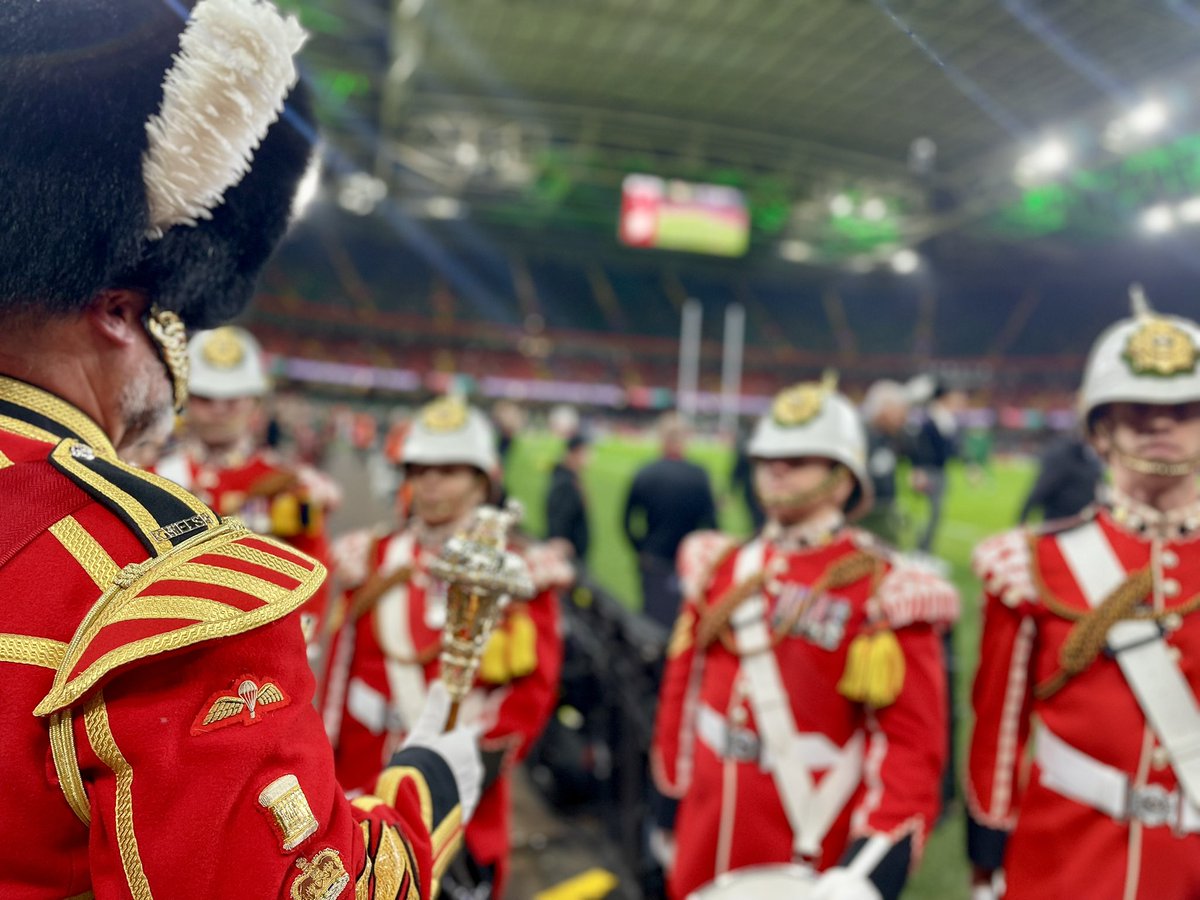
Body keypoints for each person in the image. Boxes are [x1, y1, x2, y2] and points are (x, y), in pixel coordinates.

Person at [0, 2, 480, 896]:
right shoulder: (158, 575)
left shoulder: (280, 493)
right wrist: (430, 789)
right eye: (168, 324)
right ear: (117, 310)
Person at [652, 379, 958, 900]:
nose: (776, 466)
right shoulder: (720, 564)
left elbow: (910, 751)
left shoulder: (884, 587)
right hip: (705, 827)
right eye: (768, 455)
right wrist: (669, 802)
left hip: (805, 847)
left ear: (843, 479)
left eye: (800, 458)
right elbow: (683, 692)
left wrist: (864, 876)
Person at [968, 295, 1200, 899]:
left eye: (1185, 408)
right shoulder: (1034, 563)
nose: (1160, 424)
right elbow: (998, 727)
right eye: (1135, 410)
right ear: (1100, 431)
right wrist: (987, 847)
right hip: (1064, 860)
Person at [322, 395, 567, 898]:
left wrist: (461, 768)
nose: (431, 483)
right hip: (361, 777)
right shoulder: (369, 557)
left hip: (457, 794)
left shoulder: (517, 574)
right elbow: (337, 673)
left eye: (450, 470)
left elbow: (529, 696)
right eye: (421, 469)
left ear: (484, 480)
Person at [154, 326, 340, 664]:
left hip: (252, 656)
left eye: (233, 399)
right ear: (182, 398)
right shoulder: (150, 476)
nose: (219, 410)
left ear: (255, 403)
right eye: (205, 397)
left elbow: (312, 573)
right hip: (162, 651)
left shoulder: (288, 484)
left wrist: (293, 654)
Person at [624, 412, 718, 629]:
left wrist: (640, 548)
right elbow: (712, 525)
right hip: (688, 562)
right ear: (685, 439)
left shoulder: (645, 473)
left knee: (652, 622)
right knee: (686, 623)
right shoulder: (699, 475)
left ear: (661, 438)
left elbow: (627, 521)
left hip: (654, 559)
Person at [910, 380, 967, 553]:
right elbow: (919, 447)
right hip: (930, 471)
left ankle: (925, 549)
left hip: (939, 471)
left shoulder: (945, 420)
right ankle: (922, 550)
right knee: (932, 513)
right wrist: (918, 470)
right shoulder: (931, 420)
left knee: (935, 514)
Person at [859, 379, 911, 545]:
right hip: (865, 517)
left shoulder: (889, 436)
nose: (904, 417)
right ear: (883, 410)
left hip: (883, 511)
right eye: (899, 411)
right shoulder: (861, 436)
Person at [1017, 431, 1104, 524]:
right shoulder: (1063, 457)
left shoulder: (1091, 459)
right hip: (1060, 522)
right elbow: (1041, 489)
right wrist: (1023, 518)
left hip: (1084, 521)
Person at [546, 432, 591, 562]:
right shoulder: (565, 482)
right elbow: (557, 514)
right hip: (567, 555)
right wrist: (558, 537)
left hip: (575, 552)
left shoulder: (571, 477)